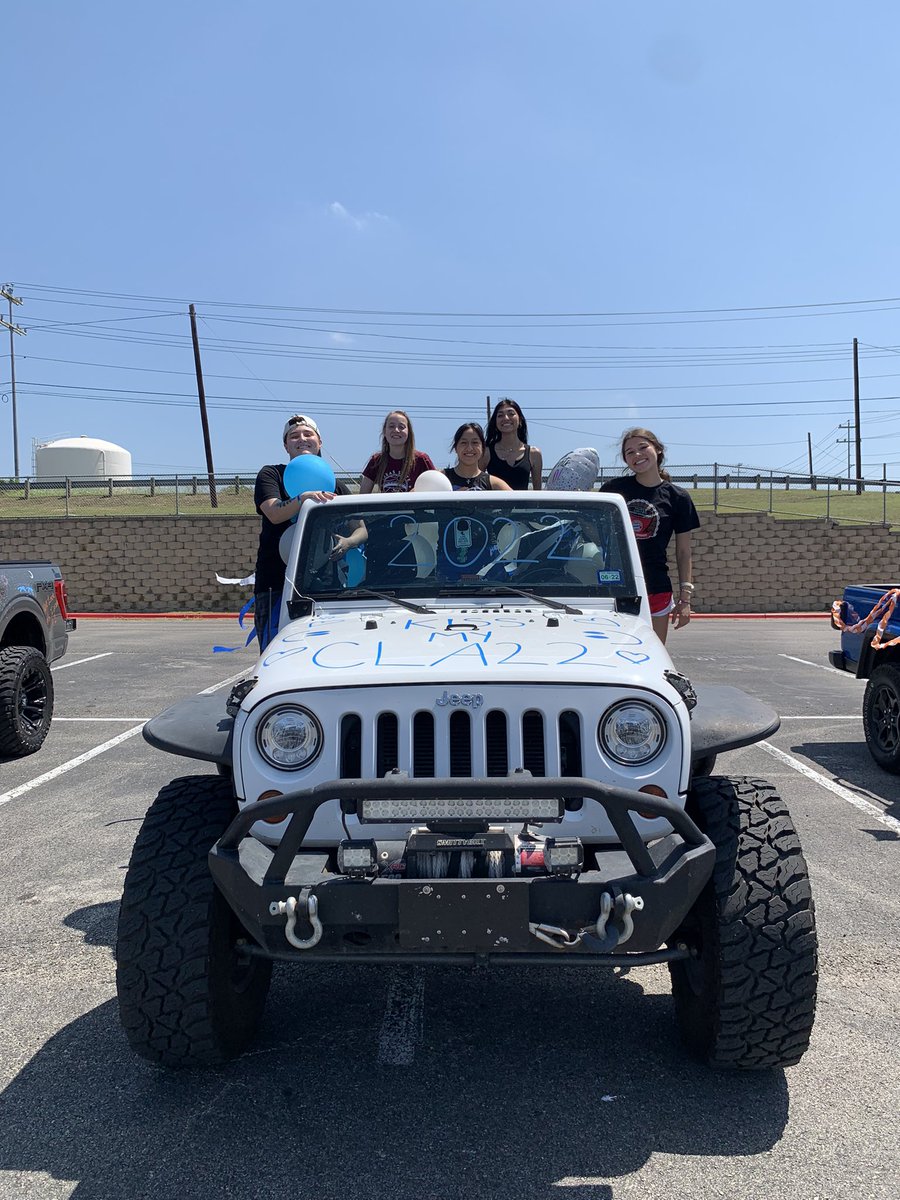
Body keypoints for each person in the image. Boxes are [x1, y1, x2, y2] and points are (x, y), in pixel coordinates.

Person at [253, 414, 358, 650]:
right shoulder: (270, 475)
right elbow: (274, 513)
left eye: (308, 434)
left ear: (319, 442)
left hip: (327, 587)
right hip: (276, 585)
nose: (302, 439)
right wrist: (303, 497)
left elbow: (361, 529)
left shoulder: (336, 485)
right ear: (286, 445)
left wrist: (349, 541)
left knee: (328, 652)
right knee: (274, 655)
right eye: (294, 436)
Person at [600, 427, 699, 644]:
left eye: (643, 447)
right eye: (630, 452)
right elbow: (596, 534)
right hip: (616, 587)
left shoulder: (678, 497)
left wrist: (685, 599)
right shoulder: (613, 490)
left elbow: (683, 552)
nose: (637, 455)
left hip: (656, 587)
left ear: (658, 450)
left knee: (652, 654)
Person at [359, 410, 435, 493]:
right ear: (384, 431)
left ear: (408, 432)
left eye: (401, 427)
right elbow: (363, 495)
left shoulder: (421, 459)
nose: (396, 430)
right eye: (391, 426)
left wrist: (417, 490)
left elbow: (436, 485)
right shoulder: (376, 461)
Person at [481, 397, 543, 490]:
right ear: (495, 422)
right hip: (495, 504)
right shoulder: (486, 453)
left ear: (520, 420)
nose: (506, 418)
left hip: (523, 504)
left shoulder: (534, 454)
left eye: (511, 414)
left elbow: (538, 491)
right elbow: (477, 484)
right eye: (500, 415)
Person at [444, 423, 513, 491]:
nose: (469, 448)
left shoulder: (494, 484)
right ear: (455, 448)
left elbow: (517, 501)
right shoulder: (441, 478)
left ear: (483, 448)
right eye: (464, 443)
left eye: (475, 443)